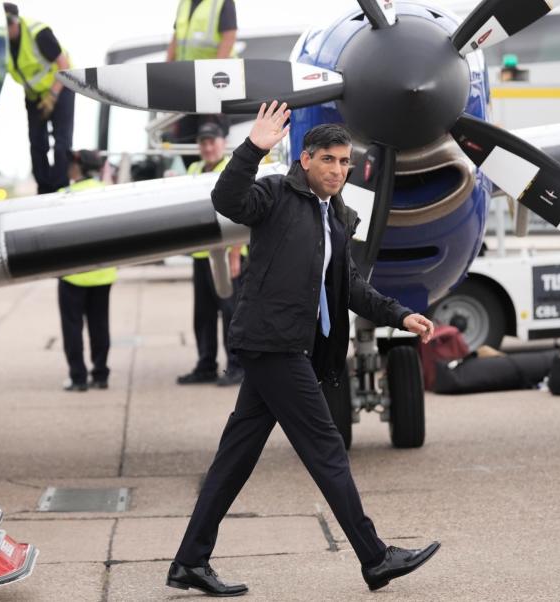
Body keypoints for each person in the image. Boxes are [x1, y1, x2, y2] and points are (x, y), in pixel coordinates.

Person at [166, 103, 440, 596]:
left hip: (292, 347)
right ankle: (375, 557)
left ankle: (189, 562)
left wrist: (399, 314)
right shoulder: (274, 194)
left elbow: (351, 286)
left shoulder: (337, 216)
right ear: (306, 160)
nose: (338, 170)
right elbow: (227, 198)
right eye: (329, 160)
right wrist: (253, 148)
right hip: (273, 344)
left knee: (235, 459)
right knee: (326, 447)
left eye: (345, 163)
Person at [177, 123, 245, 387]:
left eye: (212, 142)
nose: (207, 147)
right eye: (203, 142)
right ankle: (206, 364)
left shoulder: (232, 170)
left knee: (231, 314)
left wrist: (236, 254)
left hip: (228, 255)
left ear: (222, 142)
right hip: (202, 255)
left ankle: (237, 367)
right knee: (203, 314)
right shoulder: (194, 170)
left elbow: (242, 214)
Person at [58, 150, 114, 392]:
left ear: (78, 168)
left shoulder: (65, 195)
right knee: (100, 326)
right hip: (103, 274)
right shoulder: (108, 193)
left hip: (73, 275)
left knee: (73, 329)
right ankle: (101, 375)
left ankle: (78, 377)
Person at [4, 3, 75, 194]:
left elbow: (64, 65)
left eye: (9, 23)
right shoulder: (2, 43)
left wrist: (52, 95)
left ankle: (61, 186)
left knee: (62, 142)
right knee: (37, 143)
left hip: (61, 85)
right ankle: (44, 189)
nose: (7, 29)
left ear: (16, 21)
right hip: (34, 95)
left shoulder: (38, 34)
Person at [166, 0, 237, 166]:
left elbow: (229, 36)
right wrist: (166, 70)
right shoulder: (184, 3)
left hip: (212, 85)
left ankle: (215, 182)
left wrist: (212, 74)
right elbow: (177, 38)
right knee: (184, 140)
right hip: (187, 84)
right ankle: (195, 177)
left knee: (210, 140)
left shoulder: (221, 3)